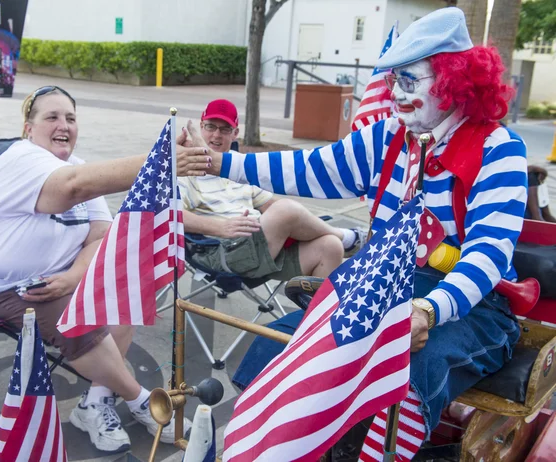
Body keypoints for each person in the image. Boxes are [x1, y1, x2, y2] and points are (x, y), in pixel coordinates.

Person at [177, 8, 526, 459]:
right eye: (394, 80)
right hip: (380, 286)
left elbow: (488, 256)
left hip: (471, 304)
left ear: (452, 81)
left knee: (405, 372)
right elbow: (308, 169)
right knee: (278, 342)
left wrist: (427, 310)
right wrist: (217, 161)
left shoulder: (499, 150)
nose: (396, 94)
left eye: (409, 80)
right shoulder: (387, 138)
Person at [0, 86, 203, 453]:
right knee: (74, 314)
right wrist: (162, 158)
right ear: (28, 128)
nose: (64, 125)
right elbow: (71, 189)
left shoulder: (75, 165)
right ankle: (144, 402)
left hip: (59, 281)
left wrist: (73, 277)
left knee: (125, 282)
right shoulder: (21, 158)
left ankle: (95, 403)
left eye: (70, 118)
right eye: (51, 117)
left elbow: (100, 238)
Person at [179, 99, 367, 281]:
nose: (216, 135)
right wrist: (220, 227)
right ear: (201, 127)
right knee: (286, 210)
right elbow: (172, 214)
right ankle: (347, 238)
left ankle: (316, 311)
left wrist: (305, 225)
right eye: (210, 126)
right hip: (222, 250)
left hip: (261, 245)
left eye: (224, 129)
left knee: (331, 247)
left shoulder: (238, 164)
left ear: (235, 133)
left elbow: (271, 205)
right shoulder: (185, 168)